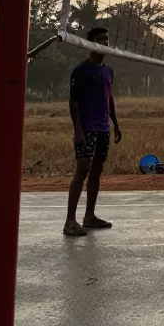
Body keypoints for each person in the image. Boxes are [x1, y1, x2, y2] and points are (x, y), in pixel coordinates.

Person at [64, 26, 122, 237]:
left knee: (96, 171)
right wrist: (78, 130)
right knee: (82, 170)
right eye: (100, 39)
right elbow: (74, 102)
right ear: (90, 43)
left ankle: (90, 216)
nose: (105, 43)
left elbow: (109, 98)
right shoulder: (81, 71)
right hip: (87, 128)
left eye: (106, 39)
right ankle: (70, 221)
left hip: (103, 129)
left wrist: (115, 123)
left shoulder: (108, 70)